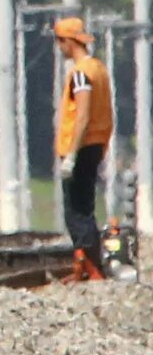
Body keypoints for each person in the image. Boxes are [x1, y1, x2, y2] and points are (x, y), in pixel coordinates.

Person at [54, 16, 116, 274]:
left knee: (76, 211)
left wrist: (71, 155)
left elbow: (82, 114)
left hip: (80, 146)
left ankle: (93, 271)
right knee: (84, 206)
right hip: (96, 144)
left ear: (68, 41)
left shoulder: (81, 73)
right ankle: (85, 267)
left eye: (60, 42)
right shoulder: (98, 68)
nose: (59, 48)